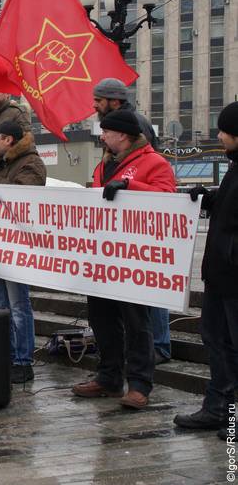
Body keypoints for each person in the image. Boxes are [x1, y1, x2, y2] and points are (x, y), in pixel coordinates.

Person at [71, 109, 175, 409]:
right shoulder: (103, 165)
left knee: (136, 322)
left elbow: (168, 200)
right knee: (102, 318)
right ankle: (109, 377)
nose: (101, 136)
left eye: (106, 132)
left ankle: (140, 384)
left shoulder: (154, 162)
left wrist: (132, 187)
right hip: (104, 256)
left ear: (124, 135)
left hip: (135, 258)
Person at [175, 102, 238, 440]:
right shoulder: (233, 166)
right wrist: (209, 198)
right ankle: (218, 408)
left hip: (233, 276)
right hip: (218, 275)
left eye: (225, 131)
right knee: (216, 341)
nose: (219, 135)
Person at [93, 78, 167, 362]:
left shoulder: (134, 125)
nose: (94, 105)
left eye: (99, 100)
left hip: (140, 239)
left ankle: (158, 346)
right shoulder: (109, 150)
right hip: (116, 238)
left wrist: (128, 184)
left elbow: (158, 189)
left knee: (150, 294)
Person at [0, 121, 47, 383]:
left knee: (18, 305)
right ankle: (5, 354)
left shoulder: (31, 163)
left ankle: (22, 360)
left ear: (10, 140)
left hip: (17, 244)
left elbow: (22, 194)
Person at [93, 78, 158, 149]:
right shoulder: (117, 122)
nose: (94, 105)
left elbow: (142, 156)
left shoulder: (134, 123)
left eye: (98, 101)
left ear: (115, 101)